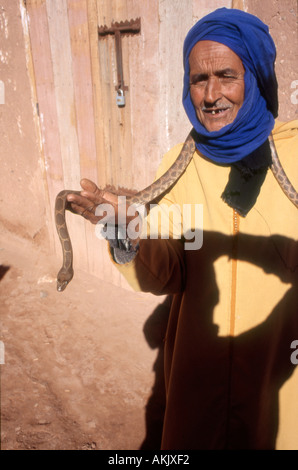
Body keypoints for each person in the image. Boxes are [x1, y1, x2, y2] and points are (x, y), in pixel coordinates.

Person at [67, 8, 298, 450]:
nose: (210, 94)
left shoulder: (293, 154)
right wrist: (127, 233)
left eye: (226, 75)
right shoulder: (182, 162)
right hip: (200, 387)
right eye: (198, 79)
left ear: (256, 77)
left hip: (280, 380)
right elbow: (168, 268)